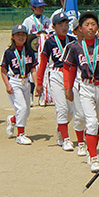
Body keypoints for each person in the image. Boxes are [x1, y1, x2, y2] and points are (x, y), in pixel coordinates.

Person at [63, 11, 99, 172]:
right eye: (87, 25)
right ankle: (93, 157)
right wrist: (68, 88)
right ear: (80, 29)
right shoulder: (75, 48)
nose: (90, 28)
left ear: (98, 27)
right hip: (85, 86)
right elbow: (69, 69)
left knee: (98, 122)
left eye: (93, 24)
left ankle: (92, 148)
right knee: (90, 122)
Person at [35, 12, 77, 151]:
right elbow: (43, 63)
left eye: (66, 24)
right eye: (60, 25)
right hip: (56, 74)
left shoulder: (72, 40)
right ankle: (66, 139)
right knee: (62, 108)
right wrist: (39, 83)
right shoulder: (50, 42)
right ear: (53, 26)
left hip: (71, 75)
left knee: (72, 109)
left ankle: (61, 128)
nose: (64, 27)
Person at [0, 24, 37, 145]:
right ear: (12, 37)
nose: (20, 37)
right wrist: (7, 85)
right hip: (14, 81)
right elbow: (3, 70)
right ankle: (20, 134)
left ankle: (12, 119)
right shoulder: (9, 52)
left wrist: (37, 85)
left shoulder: (29, 51)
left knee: (26, 112)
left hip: (26, 81)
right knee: (22, 108)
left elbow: (33, 69)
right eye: (18, 35)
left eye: (23, 35)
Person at [61, 23, 88, 157]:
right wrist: (68, 87)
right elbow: (67, 68)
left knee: (94, 118)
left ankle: (89, 141)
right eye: (80, 29)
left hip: (95, 85)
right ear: (75, 31)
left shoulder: (97, 45)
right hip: (79, 83)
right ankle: (81, 142)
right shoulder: (72, 47)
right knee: (80, 115)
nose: (83, 31)